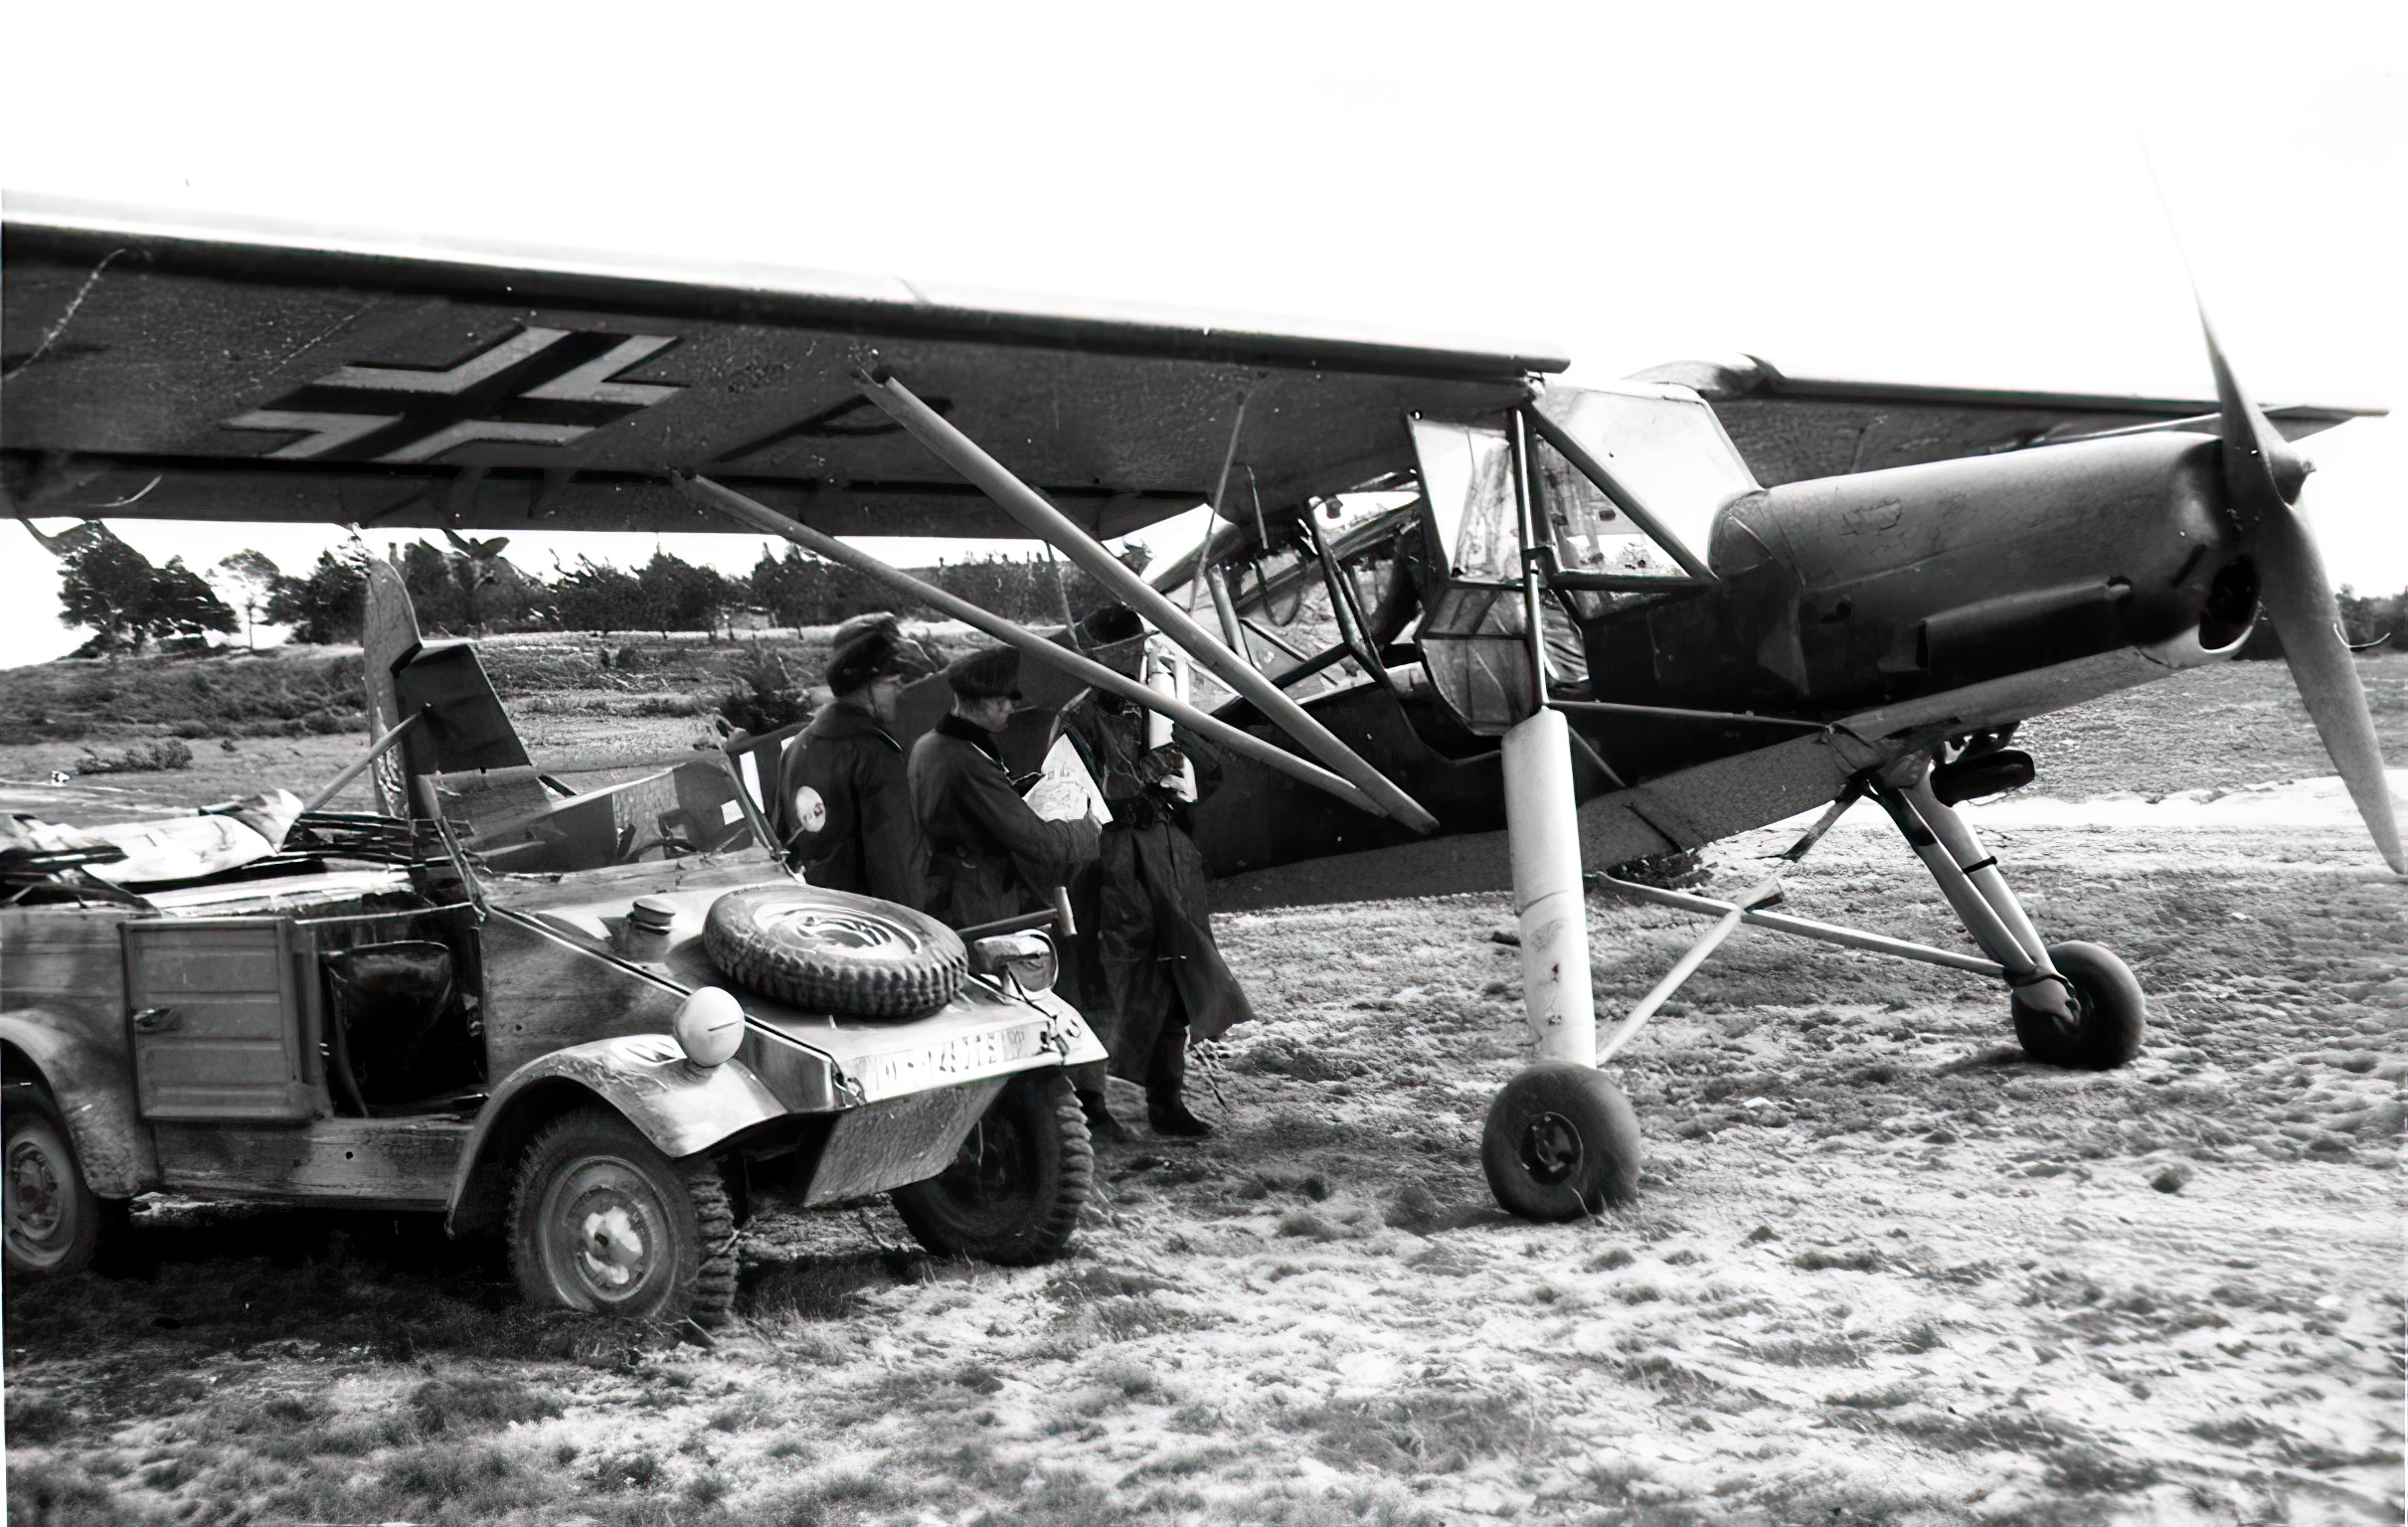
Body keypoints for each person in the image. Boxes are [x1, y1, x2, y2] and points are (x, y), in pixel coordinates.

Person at [1054, 683, 1254, 1140]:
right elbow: (1071, 789)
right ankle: (1091, 1102)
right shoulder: (1077, 717)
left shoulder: (1154, 706)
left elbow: (1211, 769)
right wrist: (1144, 772)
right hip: (1111, 862)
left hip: (1166, 858)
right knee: (1105, 979)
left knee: (1175, 971)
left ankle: (1166, 1099)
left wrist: (1181, 744)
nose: (1128, 668)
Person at [908, 645, 1100, 933]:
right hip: (979, 902)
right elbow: (1038, 843)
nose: (1011, 707)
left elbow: (966, 808)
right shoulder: (966, 762)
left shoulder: (932, 743)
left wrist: (1018, 787)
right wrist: (1088, 831)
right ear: (989, 703)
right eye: (1004, 700)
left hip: (944, 886)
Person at [775, 612, 931, 910]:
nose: (900, 691)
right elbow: (896, 864)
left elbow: (785, 843)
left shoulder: (796, 747)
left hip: (817, 912)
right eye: (893, 682)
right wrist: (917, 927)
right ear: (866, 685)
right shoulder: (875, 752)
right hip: (873, 923)